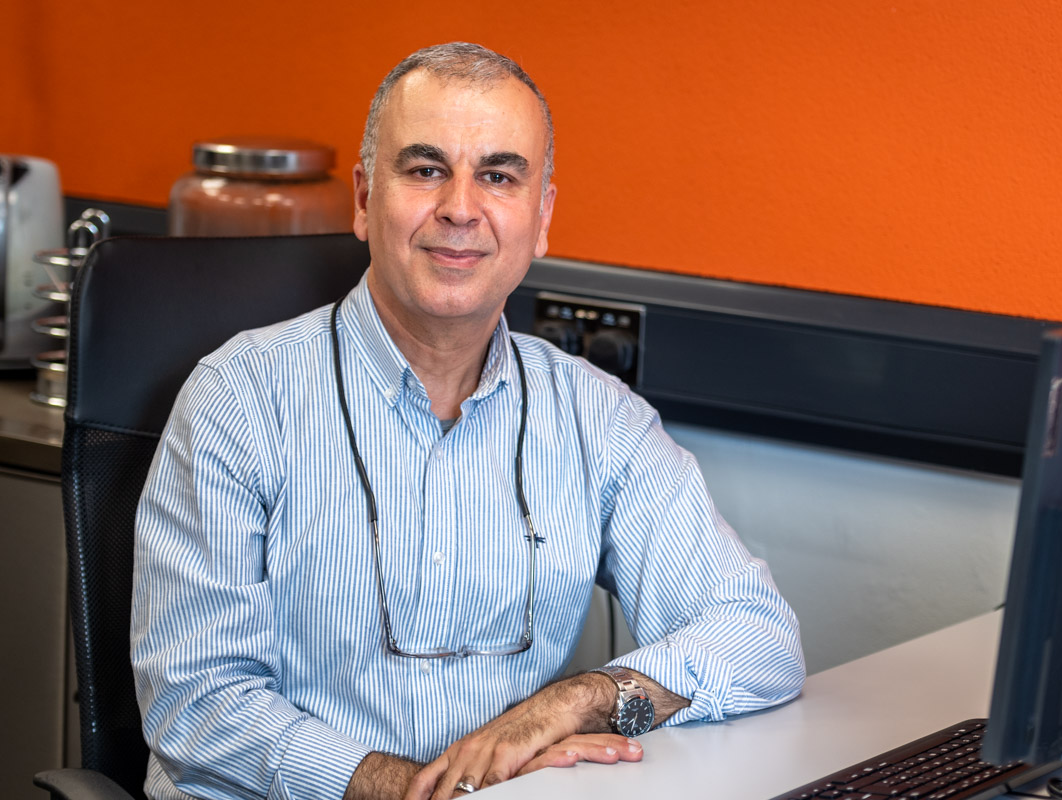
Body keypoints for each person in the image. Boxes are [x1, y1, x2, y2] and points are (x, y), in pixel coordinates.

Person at [131, 42, 805, 800]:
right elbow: (196, 702)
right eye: (424, 169)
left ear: (541, 216)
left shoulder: (597, 419)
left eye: (499, 175)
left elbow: (760, 636)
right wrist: (414, 789)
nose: (460, 207)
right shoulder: (239, 399)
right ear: (363, 199)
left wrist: (575, 701)